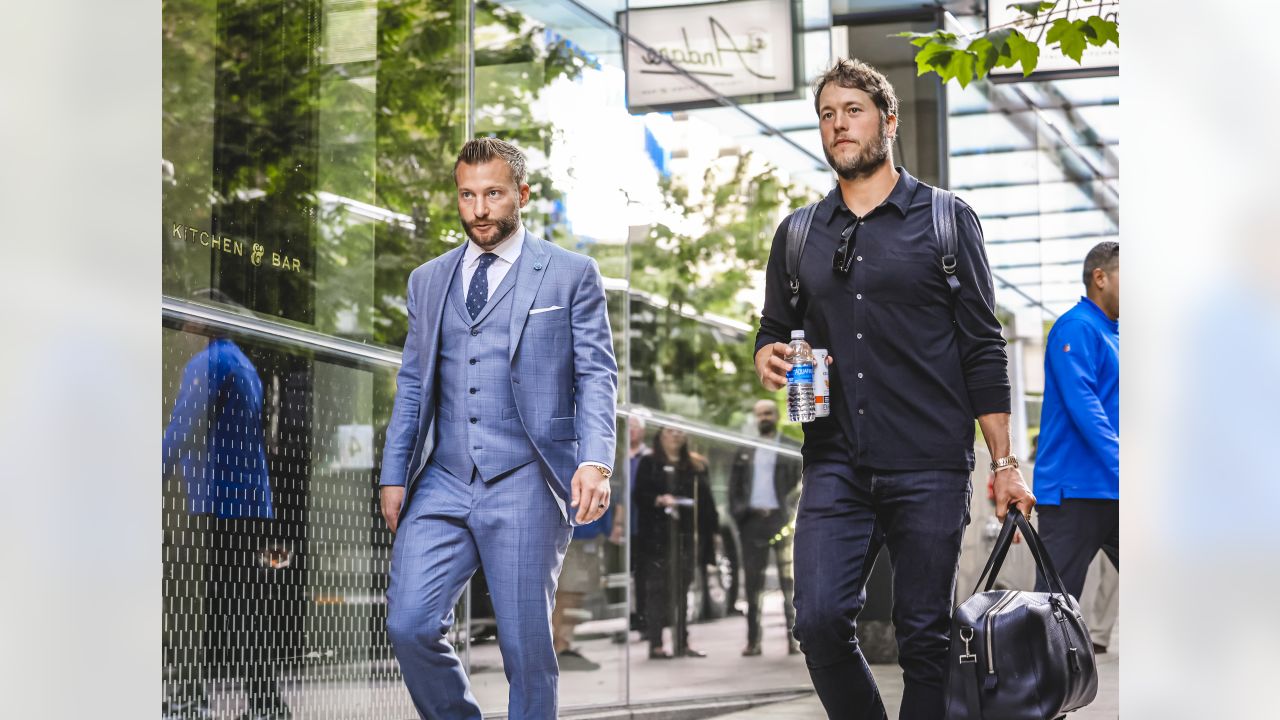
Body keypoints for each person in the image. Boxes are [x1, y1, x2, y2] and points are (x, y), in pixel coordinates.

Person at [753, 59, 1034, 720]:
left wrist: (1003, 463)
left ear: (889, 119)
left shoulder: (944, 219)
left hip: (929, 462)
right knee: (819, 623)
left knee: (925, 640)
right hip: (834, 463)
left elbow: (982, 345)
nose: (838, 124)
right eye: (826, 114)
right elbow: (773, 326)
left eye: (852, 109)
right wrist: (767, 352)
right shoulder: (799, 234)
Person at [377, 137, 618, 720]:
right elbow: (412, 384)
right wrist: (393, 473)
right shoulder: (428, 280)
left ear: (521, 195)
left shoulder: (569, 274)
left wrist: (596, 458)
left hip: (525, 477)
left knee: (525, 649)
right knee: (408, 623)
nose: (479, 208)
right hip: (444, 476)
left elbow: (596, 375)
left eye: (492, 193)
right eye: (467, 195)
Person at [162, 299, 292, 720]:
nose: (182, 323)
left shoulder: (210, 362)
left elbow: (183, 425)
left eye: (187, 316)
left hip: (218, 506)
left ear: (204, 320)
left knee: (194, 606)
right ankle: (267, 705)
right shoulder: (240, 362)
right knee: (237, 608)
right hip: (244, 504)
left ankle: (188, 700)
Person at [1032, 242, 1119, 601]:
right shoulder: (1076, 328)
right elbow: (1084, 403)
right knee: (1053, 611)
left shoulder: (1115, 334)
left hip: (1113, 490)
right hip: (1073, 495)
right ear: (1100, 277)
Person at [633, 427, 719, 659]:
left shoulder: (695, 465)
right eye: (670, 431)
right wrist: (658, 500)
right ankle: (656, 643)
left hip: (686, 535)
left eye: (680, 432)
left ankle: (682, 642)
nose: (676, 435)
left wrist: (713, 532)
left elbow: (707, 501)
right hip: (657, 538)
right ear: (661, 436)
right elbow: (639, 496)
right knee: (657, 590)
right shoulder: (649, 462)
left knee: (682, 588)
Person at [728, 399, 801, 657]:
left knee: (789, 582)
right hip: (753, 522)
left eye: (768, 413)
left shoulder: (792, 449)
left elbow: (800, 486)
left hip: (782, 521)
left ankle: (794, 640)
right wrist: (740, 516)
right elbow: (734, 489)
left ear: (776, 415)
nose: (764, 418)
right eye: (760, 414)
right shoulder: (745, 451)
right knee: (752, 585)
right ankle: (753, 641)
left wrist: (791, 513)